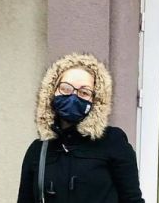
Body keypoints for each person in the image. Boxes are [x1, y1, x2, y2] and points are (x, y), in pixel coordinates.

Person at [17, 53, 145, 203]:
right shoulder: (38, 150)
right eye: (66, 88)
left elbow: (132, 200)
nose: (73, 97)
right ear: (52, 91)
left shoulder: (113, 142)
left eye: (84, 92)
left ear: (96, 100)